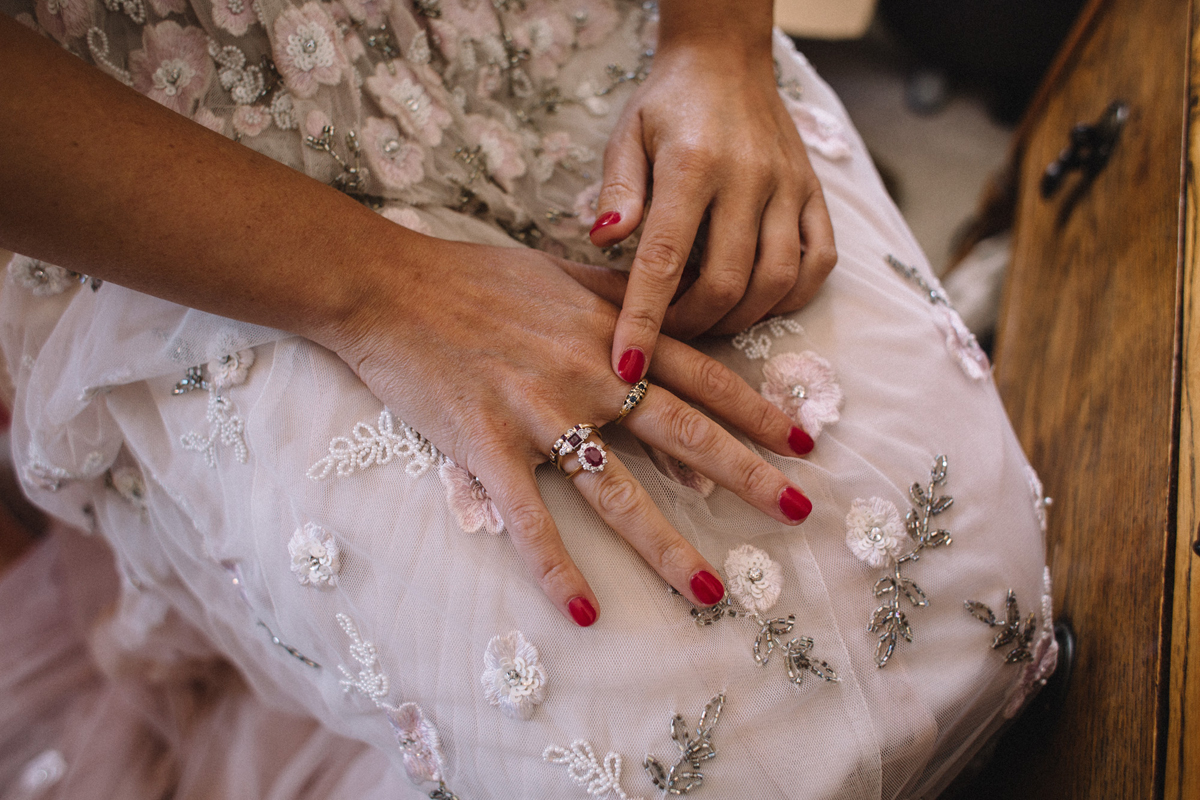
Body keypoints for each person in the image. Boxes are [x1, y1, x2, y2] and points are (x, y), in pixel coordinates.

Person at [0, 1, 1056, 798]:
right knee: (667, 762)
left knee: (979, 582)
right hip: (199, 195)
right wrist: (385, 293)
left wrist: (718, 50)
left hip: (576, 47)